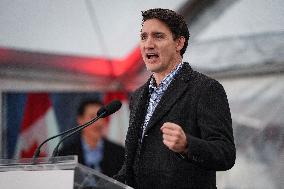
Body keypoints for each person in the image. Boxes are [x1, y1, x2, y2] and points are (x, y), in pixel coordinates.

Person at [114, 8, 236, 188]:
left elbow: (225, 154)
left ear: (179, 43)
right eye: (144, 37)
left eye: (158, 36)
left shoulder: (205, 88)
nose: (148, 44)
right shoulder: (138, 95)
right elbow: (133, 162)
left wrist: (187, 145)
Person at [58, 99, 125, 177]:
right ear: (80, 120)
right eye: (92, 117)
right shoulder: (66, 153)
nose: (98, 123)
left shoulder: (119, 152)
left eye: (101, 117)